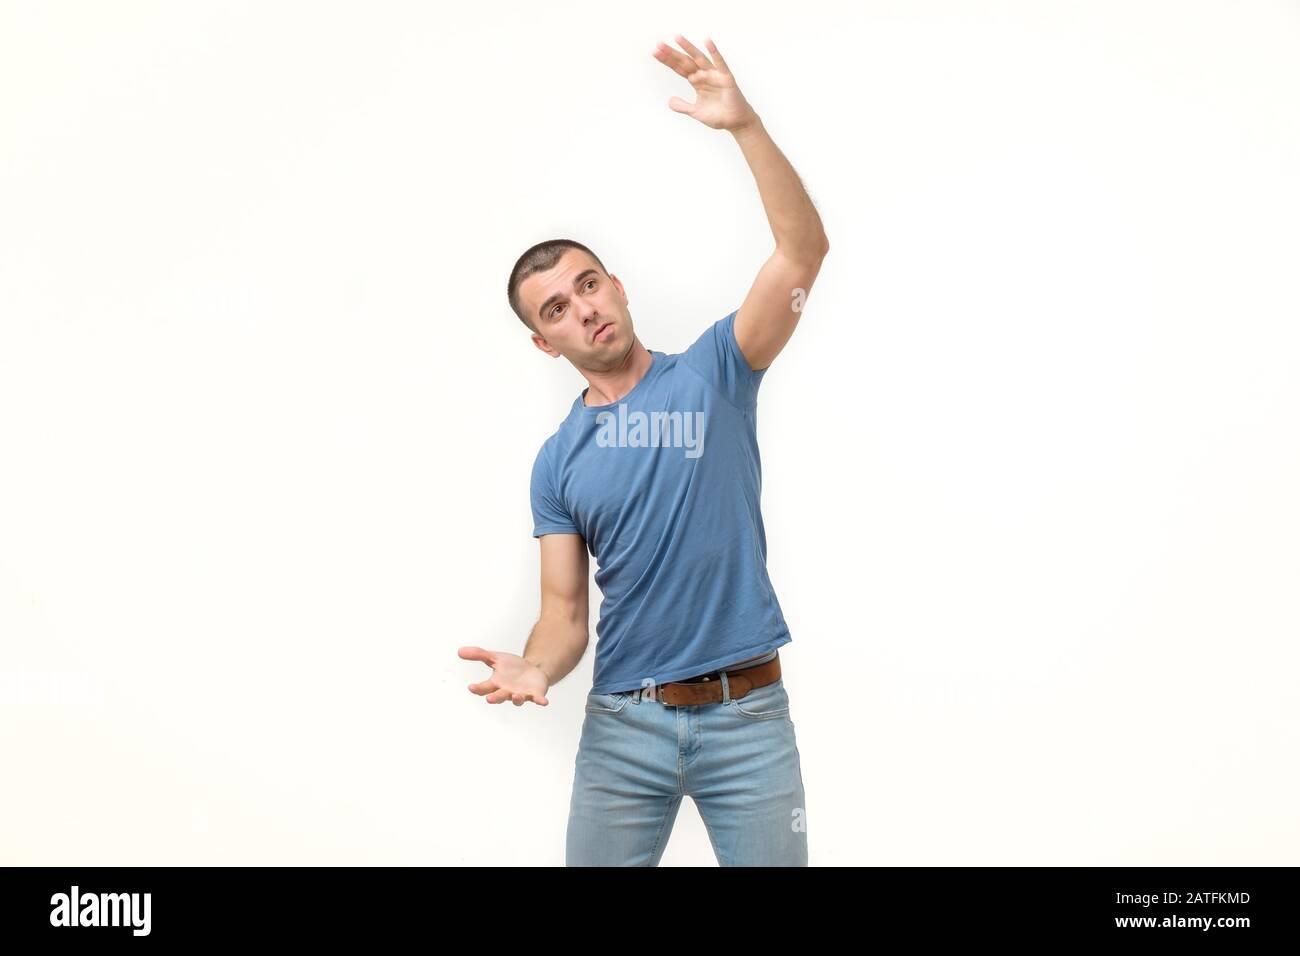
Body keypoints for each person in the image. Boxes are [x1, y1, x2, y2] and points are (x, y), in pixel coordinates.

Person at [459, 35, 828, 866]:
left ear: (617, 289)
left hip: (749, 719)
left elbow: (802, 254)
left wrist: (747, 127)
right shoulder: (558, 463)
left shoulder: (716, 375)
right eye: (554, 309)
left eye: (588, 284)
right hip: (625, 728)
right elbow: (562, 617)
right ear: (545, 344)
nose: (581, 308)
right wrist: (537, 670)